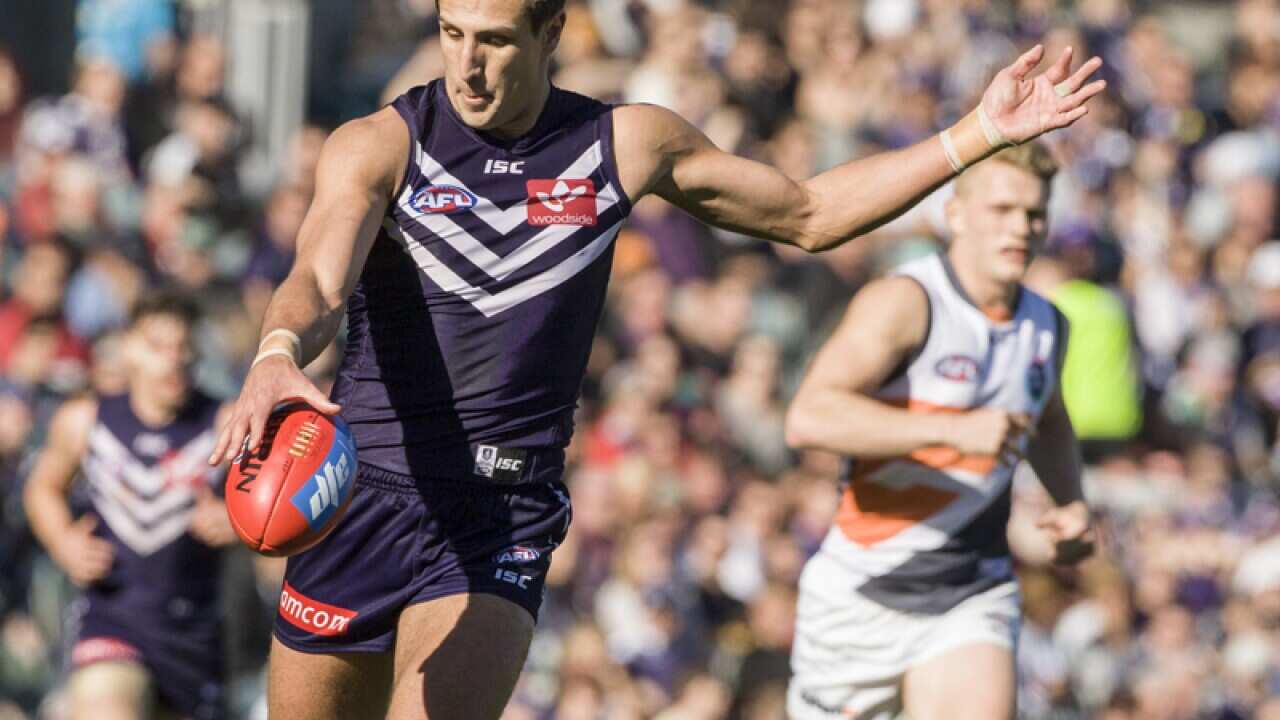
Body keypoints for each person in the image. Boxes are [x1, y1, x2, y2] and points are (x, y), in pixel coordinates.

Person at [204, 0, 1105, 717]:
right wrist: (277, 353)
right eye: (450, 35)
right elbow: (316, 280)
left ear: (553, 31)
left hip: (498, 515)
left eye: (494, 40)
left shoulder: (622, 143)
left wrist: (977, 134)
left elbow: (809, 214)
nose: (467, 66)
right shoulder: (379, 145)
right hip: (366, 496)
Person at [782, 142, 1096, 720]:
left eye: (1033, 213)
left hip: (972, 590)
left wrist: (1071, 502)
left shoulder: (1048, 325)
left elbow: (1048, 420)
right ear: (955, 214)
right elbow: (809, 417)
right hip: (862, 591)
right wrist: (951, 431)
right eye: (1001, 210)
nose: (1020, 228)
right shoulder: (907, 301)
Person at [24, 291, 235, 720]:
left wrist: (240, 521)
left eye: (182, 346)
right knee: (108, 710)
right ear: (129, 348)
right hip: (112, 615)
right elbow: (41, 487)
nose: (172, 360)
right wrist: (64, 540)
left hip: (192, 630)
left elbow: (282, 510)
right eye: (157, 346)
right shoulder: (86, 419)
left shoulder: (227, 423)